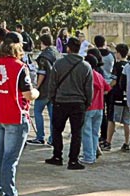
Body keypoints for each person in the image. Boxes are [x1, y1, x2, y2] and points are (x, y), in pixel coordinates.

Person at [0, 32, 38, 196]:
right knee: (10, 158)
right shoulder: (19, 67)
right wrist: (36, 93)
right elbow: (28, 93)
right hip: (15, 115)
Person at [46, 36, 92, 169]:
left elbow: (52, 83)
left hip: (60, 101)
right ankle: (73, 160)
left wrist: (52, 98)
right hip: (78, 103)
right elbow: (88, 88)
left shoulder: (58, 64)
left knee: (57, 130)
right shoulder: (85, 66)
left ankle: (57, 156)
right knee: (76, 133)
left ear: (68, 48)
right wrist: (87, 102)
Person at [28, 32, 58, 145]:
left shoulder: (43, 57)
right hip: (54, 88)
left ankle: (40, 136)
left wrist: (37, 86)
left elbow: (42, 73)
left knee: (37, 112)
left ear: (42, 43)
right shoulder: (56, 54)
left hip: (44, 89)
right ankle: (52, 138)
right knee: (52, 115)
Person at [82, 51, 111, 165]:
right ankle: (92, 154)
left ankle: (88, 156)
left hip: (89, 107)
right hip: (99, 107)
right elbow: (107, 88)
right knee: (94, 133)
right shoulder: (99, 75)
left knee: (86, 132)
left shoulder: (88, 75)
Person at [106, 42, 130, 151]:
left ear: (119, 54)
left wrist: (106, 89)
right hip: (127, 96)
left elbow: (114, 81)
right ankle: (127, 143)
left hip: (116, 96)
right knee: (127, 121)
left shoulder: (117, 65)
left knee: (111, 119)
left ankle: (108, 142)